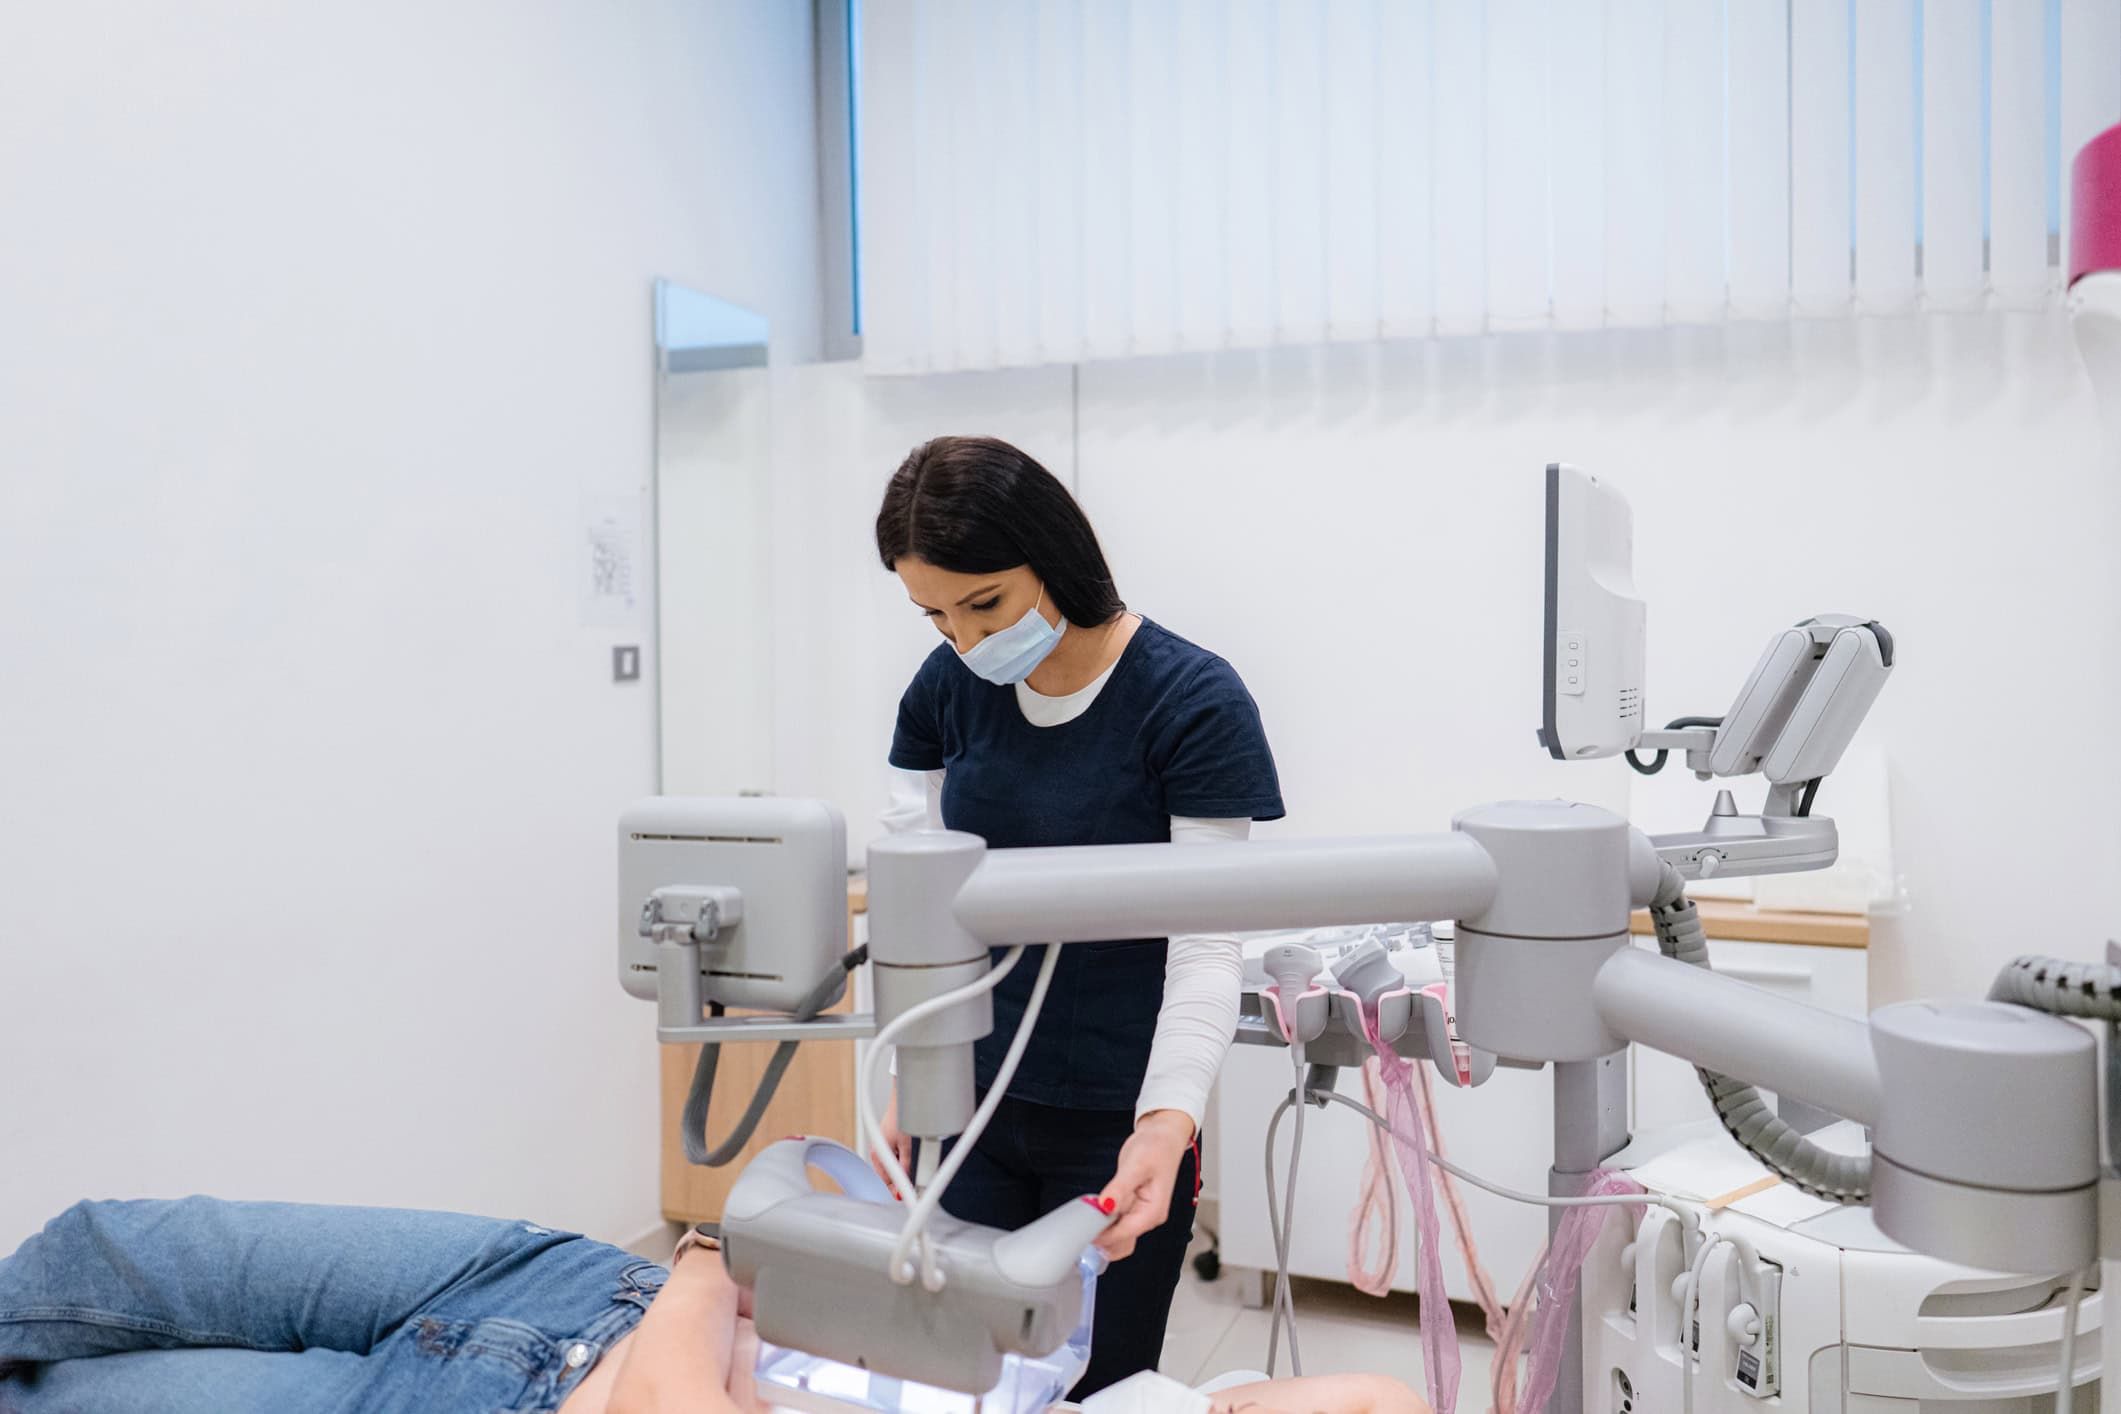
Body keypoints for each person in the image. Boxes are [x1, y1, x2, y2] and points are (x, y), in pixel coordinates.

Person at [873, 435, 1285, 1396]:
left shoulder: (1190, 700)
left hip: (1118, 1117)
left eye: (986, 605)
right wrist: (910, 1072)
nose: (968, 644)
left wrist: (1167, 1123)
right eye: (936, 618)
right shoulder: (946, 691)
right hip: (967, 1105)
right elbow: (917, 904)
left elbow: (1205, 939)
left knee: (1097, 1383)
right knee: (954, 1374)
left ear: (1055, 558)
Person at [0, 1196, 1429, 1414]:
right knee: (109, 1243)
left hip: (514, 1391)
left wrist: (704, 1270)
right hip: (567, 1278)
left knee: (67, 1395)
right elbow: (1379, 1395)